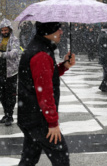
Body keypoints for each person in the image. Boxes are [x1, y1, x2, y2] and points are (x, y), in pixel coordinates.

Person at [17, 21, 75, 166]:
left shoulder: (38, 48)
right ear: (49, 31)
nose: (61, 32)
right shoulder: (41, 54)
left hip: (29, 115)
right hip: (39, 119)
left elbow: (44, 77)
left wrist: (64, 66)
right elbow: (45, 92)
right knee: (61, 158)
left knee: (28, 160)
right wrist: (53, 123)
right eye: (58, 29)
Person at [0, 19, 21, 126]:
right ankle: (5, 113)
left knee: (10, 94)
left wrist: (2, 55)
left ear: (9, 29)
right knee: (2, 95)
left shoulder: (14, 40)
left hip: (11, 72)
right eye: (2, 30)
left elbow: (15, 53)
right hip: (1, 71)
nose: (4, 32)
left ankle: (10, 115)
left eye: (6, 30)